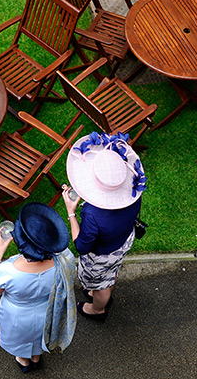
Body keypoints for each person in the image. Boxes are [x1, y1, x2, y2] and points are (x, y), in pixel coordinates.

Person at [62, 132, 146, 323]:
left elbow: (82, 246)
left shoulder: (92, 214)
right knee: (111, 275)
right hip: (123, 241)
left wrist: (71, 213)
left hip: (102, 255)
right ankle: (98, 291)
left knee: (102, 285)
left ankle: (97, 309)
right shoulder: (133, 191)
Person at [0, 203, 76, 374]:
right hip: (47, 311)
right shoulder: (63, 261)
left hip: (17, 317)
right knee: (39, 338)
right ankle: (36, 358)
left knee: (20, 340)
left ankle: (24, 361)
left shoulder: (8, 270)